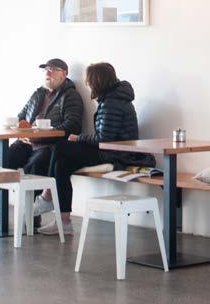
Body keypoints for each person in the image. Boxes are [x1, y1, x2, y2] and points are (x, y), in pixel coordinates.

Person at [34, 62, 155, 235]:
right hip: (111, 151)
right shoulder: (111, 99)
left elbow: (104, 139)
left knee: (60, 147)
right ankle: (64, 221)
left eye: (89, 81)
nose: (88, 84)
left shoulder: (112, 102)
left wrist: (79, 138)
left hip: (116, 154)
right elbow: (105, 137)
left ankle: (47, 195)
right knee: (62, 165)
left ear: (97, 81)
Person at [0, 58, 84, 227]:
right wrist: (21, 132)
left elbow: (73, 126)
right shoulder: (38, 94)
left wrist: (42, 134)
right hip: (25, 143)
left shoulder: (71, 96)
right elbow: (21, 117)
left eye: (53, 70)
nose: (48, 73)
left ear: (64, 74)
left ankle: (32, 215)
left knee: (34, 167)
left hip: (49, 145)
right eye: (46, 69)